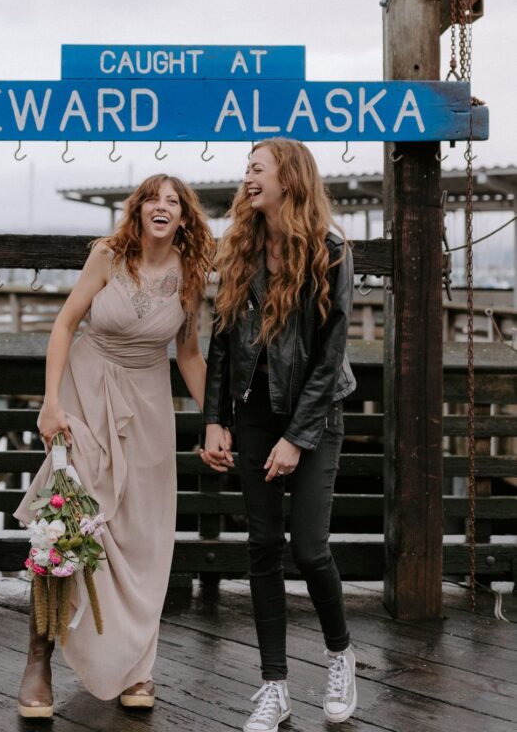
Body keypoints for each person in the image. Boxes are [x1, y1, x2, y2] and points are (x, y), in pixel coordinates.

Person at [14, 173, 215, 719]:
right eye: (153, 197)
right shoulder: (108, 255)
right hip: (85, 393)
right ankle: (39, 660)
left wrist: (215, 421)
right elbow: (64, 325)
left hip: (148, 407)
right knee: (64, 520)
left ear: (183, 218)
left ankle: (136, 665)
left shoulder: (192, 273)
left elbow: (190, 355)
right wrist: (50, 403)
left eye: (174, 201)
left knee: (142, 536)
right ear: (139, 209)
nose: (162, 206)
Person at [201, 137, 357, 730]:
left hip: (315, 415)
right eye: (246, 168)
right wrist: (215, 420)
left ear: (288, 178)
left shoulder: (331, 250)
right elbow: (221, 341)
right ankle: (275, 686)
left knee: (309, 548)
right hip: (253, 414)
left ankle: (340, 654)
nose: (247, 178)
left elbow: (331, 353)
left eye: (256, 168)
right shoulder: (239, 247)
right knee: (263, 547)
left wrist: (297, 437)